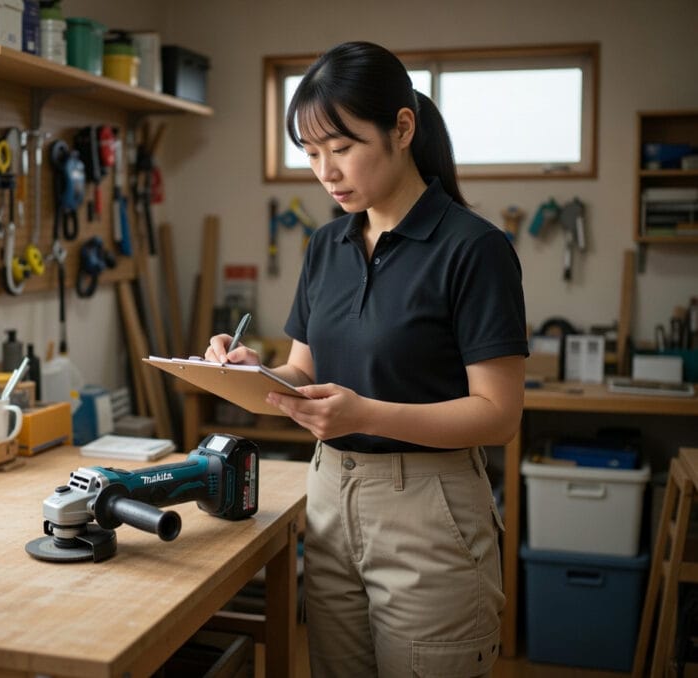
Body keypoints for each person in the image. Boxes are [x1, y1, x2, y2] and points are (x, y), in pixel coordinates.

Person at [206, 41, 528, 677]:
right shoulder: (326, 244)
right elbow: (302, 373)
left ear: (401, 129)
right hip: (328, 496)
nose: (326, 172)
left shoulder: (474, 249)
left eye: (341, 147)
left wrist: (365, 415)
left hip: (429, 508)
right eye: (310, 153)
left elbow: (498, 416)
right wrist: (250, 373)